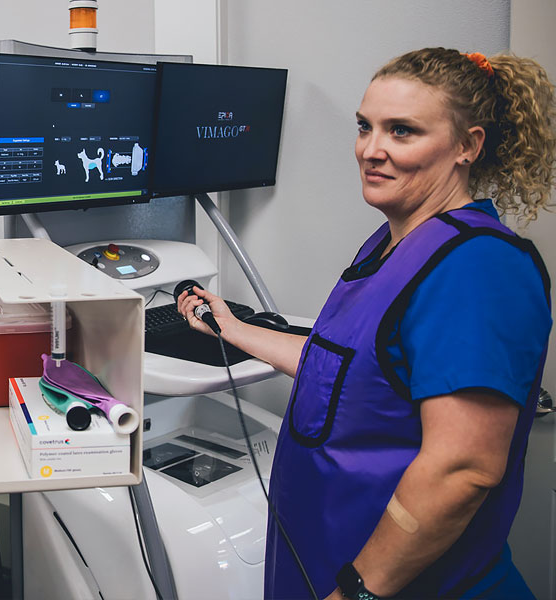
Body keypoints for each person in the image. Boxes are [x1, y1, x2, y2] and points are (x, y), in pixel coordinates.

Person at [178, 47, 555, 599]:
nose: (371, 150)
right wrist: (235, 330)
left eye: (402, 132)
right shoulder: (393, 243)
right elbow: (351, 371)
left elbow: (463, 468)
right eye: (365, 127)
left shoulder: (479, 267)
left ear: (468, 146)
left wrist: (355, 592)